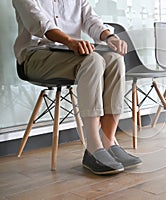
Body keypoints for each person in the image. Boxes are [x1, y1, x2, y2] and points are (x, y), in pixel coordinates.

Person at [12, 0, 142, 175]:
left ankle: (109, 141)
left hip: (70, 55)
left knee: (115, 59)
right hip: (35, 56)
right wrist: (69, 41)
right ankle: (93, 147)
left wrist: (109, 37)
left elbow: (91, 20)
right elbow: (39, 23)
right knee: (93, 61)